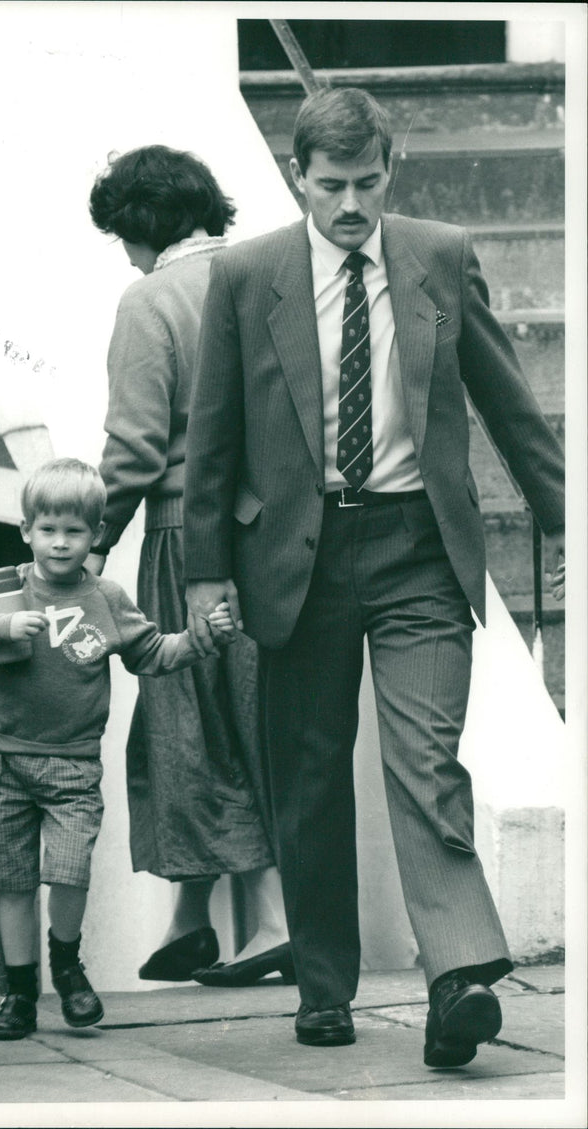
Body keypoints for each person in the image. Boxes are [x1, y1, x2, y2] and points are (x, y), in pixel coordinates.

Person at [182, 87, 565, 1065]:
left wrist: (566, 516)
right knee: (306, 779)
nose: (348, 204)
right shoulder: (245, 275)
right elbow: (212, 441)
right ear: (297, 178)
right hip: (293, 560)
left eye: (365, 182)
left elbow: (507, 404)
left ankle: (458, 979)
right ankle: (320, 984)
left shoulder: (437, 255)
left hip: (417, 552)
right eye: (329, 185)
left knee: (423, 761)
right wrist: (203, 577)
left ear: (388, 171)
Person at [0, 458, 236, 1039]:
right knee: (13, 881)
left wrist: (201, 638)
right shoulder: (4, 586)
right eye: (48, 529)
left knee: (70, 874)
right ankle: (19, 994)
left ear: (96, 536)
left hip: (73, 766)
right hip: (3, 764)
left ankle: (65, 963)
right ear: (26, 531)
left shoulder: (107, 598)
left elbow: (153, 653)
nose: (60, 543)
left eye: (74, 531)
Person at [87, 145, 294, 987]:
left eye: (122, 235)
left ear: (144, 225)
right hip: (280, 534)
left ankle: (272, 920)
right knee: (252, 717)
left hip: (186, 536)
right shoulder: (270, 273)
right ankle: (193, 918)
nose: (124, 253)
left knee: (191, 721)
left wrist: (94, 540)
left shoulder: (150, 300)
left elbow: (134, 449)